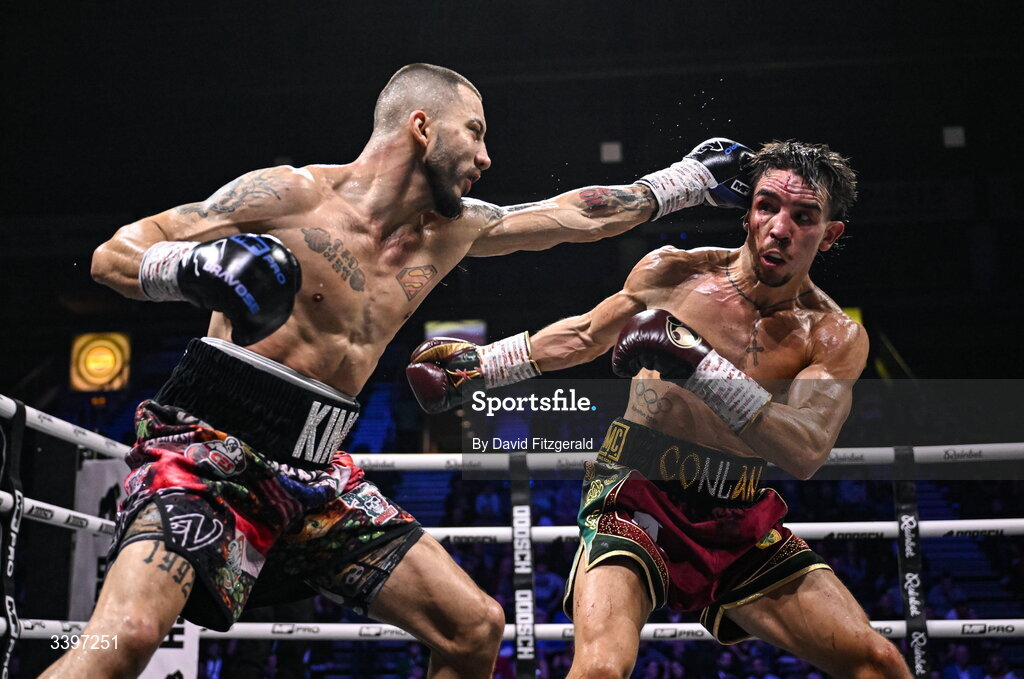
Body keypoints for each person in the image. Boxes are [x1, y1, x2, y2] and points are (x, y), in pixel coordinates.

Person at [42, 62, 750, 679]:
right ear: (421, 126)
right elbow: (115, 254)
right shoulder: (292, 196)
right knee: (123, 636)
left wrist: (685, 181)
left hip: (316, 473)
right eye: (474, 131)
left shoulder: (453, 230)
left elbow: (577, 216)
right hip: (209, 451)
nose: (487, 156)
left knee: (473, 628)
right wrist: (191, 267)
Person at [408, 140, 911, 678]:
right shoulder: (674, 273)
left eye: (804, 216)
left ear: (829, 234)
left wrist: (699, 365)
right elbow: (583, 336)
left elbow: (807, 449)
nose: (780, 228)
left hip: (735, 512)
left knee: (876, 662)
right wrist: (483, 366)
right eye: (767, 206)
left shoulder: (833, 335)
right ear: (747, 213)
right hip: (634, 491)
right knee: (602, 668)